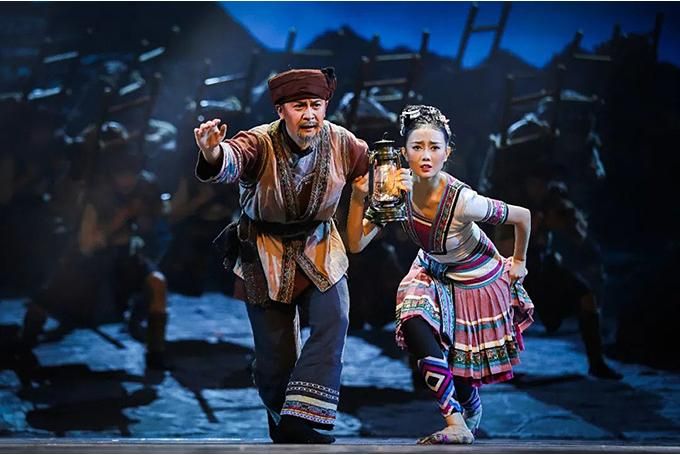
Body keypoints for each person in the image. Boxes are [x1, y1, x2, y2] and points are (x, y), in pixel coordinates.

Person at [193, 68, 369, 444]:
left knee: (335, 317)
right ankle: (282, 416)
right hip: (264, 250)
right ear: (280, 110)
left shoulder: (343, 142)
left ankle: (299, 415)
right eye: (299, 106)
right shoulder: (259, 142)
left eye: (316, 105)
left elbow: (372, 170)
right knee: (275, 354)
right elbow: (231, 158)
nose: (309, 114)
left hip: (319, 245)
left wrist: (387, 184)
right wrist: (212, 151)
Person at [347, 105, 534, 444]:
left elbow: (522, 216)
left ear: (447, 153)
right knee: (413, 322)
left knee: (461, 365)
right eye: (417, 147)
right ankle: (455, 423)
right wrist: (360, 197)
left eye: (434, 147)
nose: (425, 155)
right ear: (403, 153)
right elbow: (356, 243)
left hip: (475, 277)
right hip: (431, 268)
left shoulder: (464, 201)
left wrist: (519, 261)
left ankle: (469, 403)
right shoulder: (396, 193)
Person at [20, 133, 171, 371]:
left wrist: (147, 212)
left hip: (126, 258)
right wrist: (123, 215)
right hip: (91, 260)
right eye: (122, 174)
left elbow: (155, 220)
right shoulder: (95, 196)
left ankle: (156, 352)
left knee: (157, 283)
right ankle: (25, 344)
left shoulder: (143, 189)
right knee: (48, 301)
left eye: (132, 173)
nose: (127, 180)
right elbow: (88, 243)